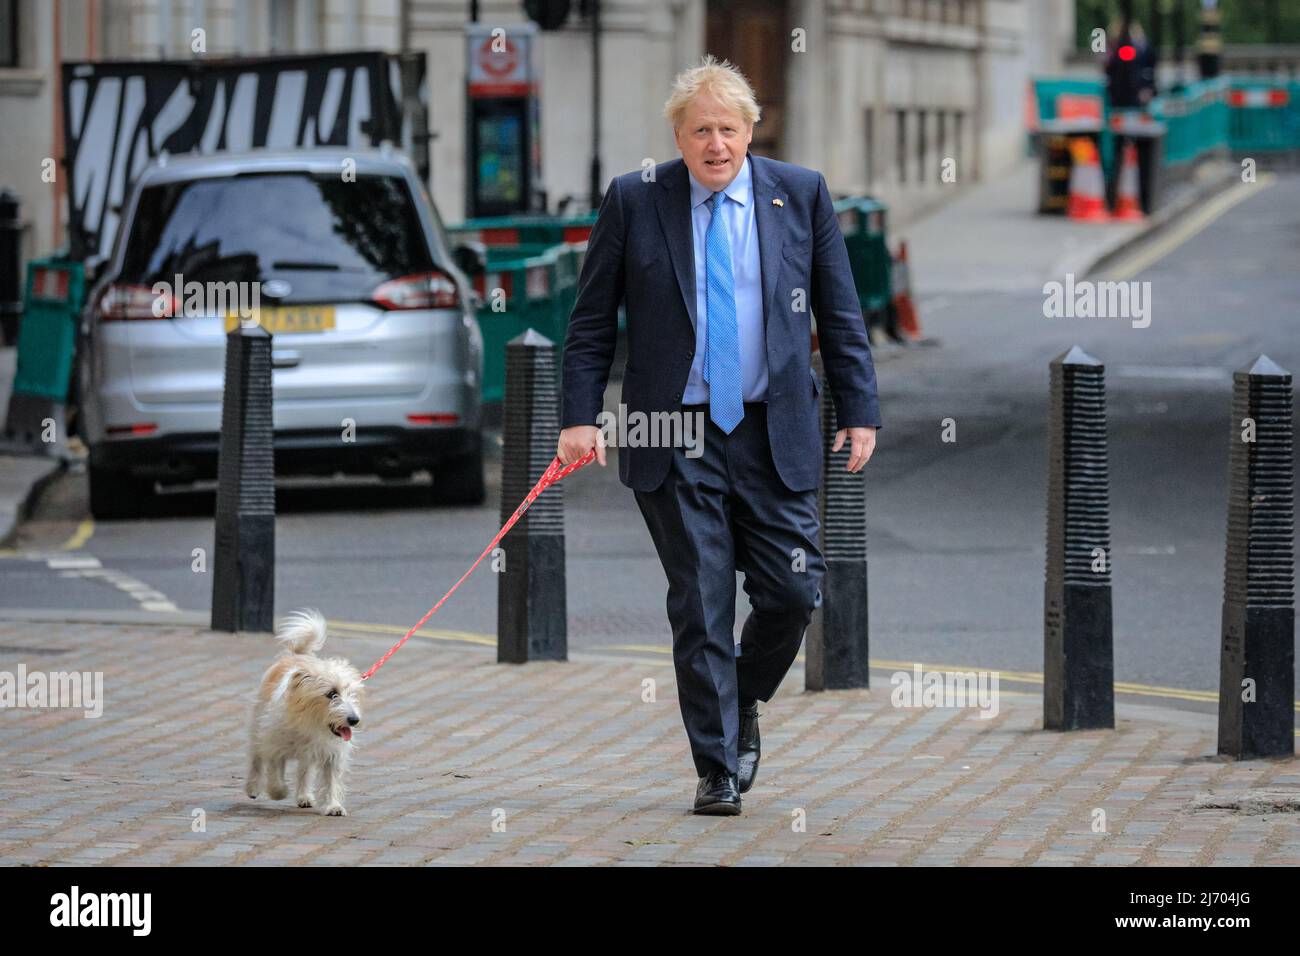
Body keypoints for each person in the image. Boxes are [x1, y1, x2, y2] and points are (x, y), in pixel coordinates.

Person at [556, 56, 882, 815]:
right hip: (671, 430)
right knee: (700, 600)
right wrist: (578, 418)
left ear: (749, 131)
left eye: (728, 129)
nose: (715, 144)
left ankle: (740, 696)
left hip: (775, 427)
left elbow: (840, 313)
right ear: (677, 134)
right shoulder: (636, 200)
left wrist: (860, 407)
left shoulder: (798, 195)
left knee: (794, 590)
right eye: (700, 130)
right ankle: (717, 767)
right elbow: (591, 322)